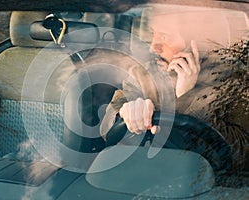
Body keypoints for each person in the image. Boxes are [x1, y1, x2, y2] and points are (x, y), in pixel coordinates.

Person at [100, 9, 249, 175]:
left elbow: (242, 156)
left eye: (164, 37)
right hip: (147, 175)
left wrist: (189, 99)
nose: (153, 47)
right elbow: (107, 127)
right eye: (153, 34)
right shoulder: (142, 74)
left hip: (211, 184)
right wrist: (124, 113)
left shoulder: (234, 81)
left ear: (195, 42)